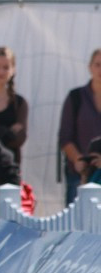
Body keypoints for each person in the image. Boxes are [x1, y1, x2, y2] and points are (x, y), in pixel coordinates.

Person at [59, 48, 101, 205]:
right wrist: (79, 161)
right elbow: (65, 136)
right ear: (90, 67)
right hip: (78, 174)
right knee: (76, 224)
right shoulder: (76, 97)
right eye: (97, 64)